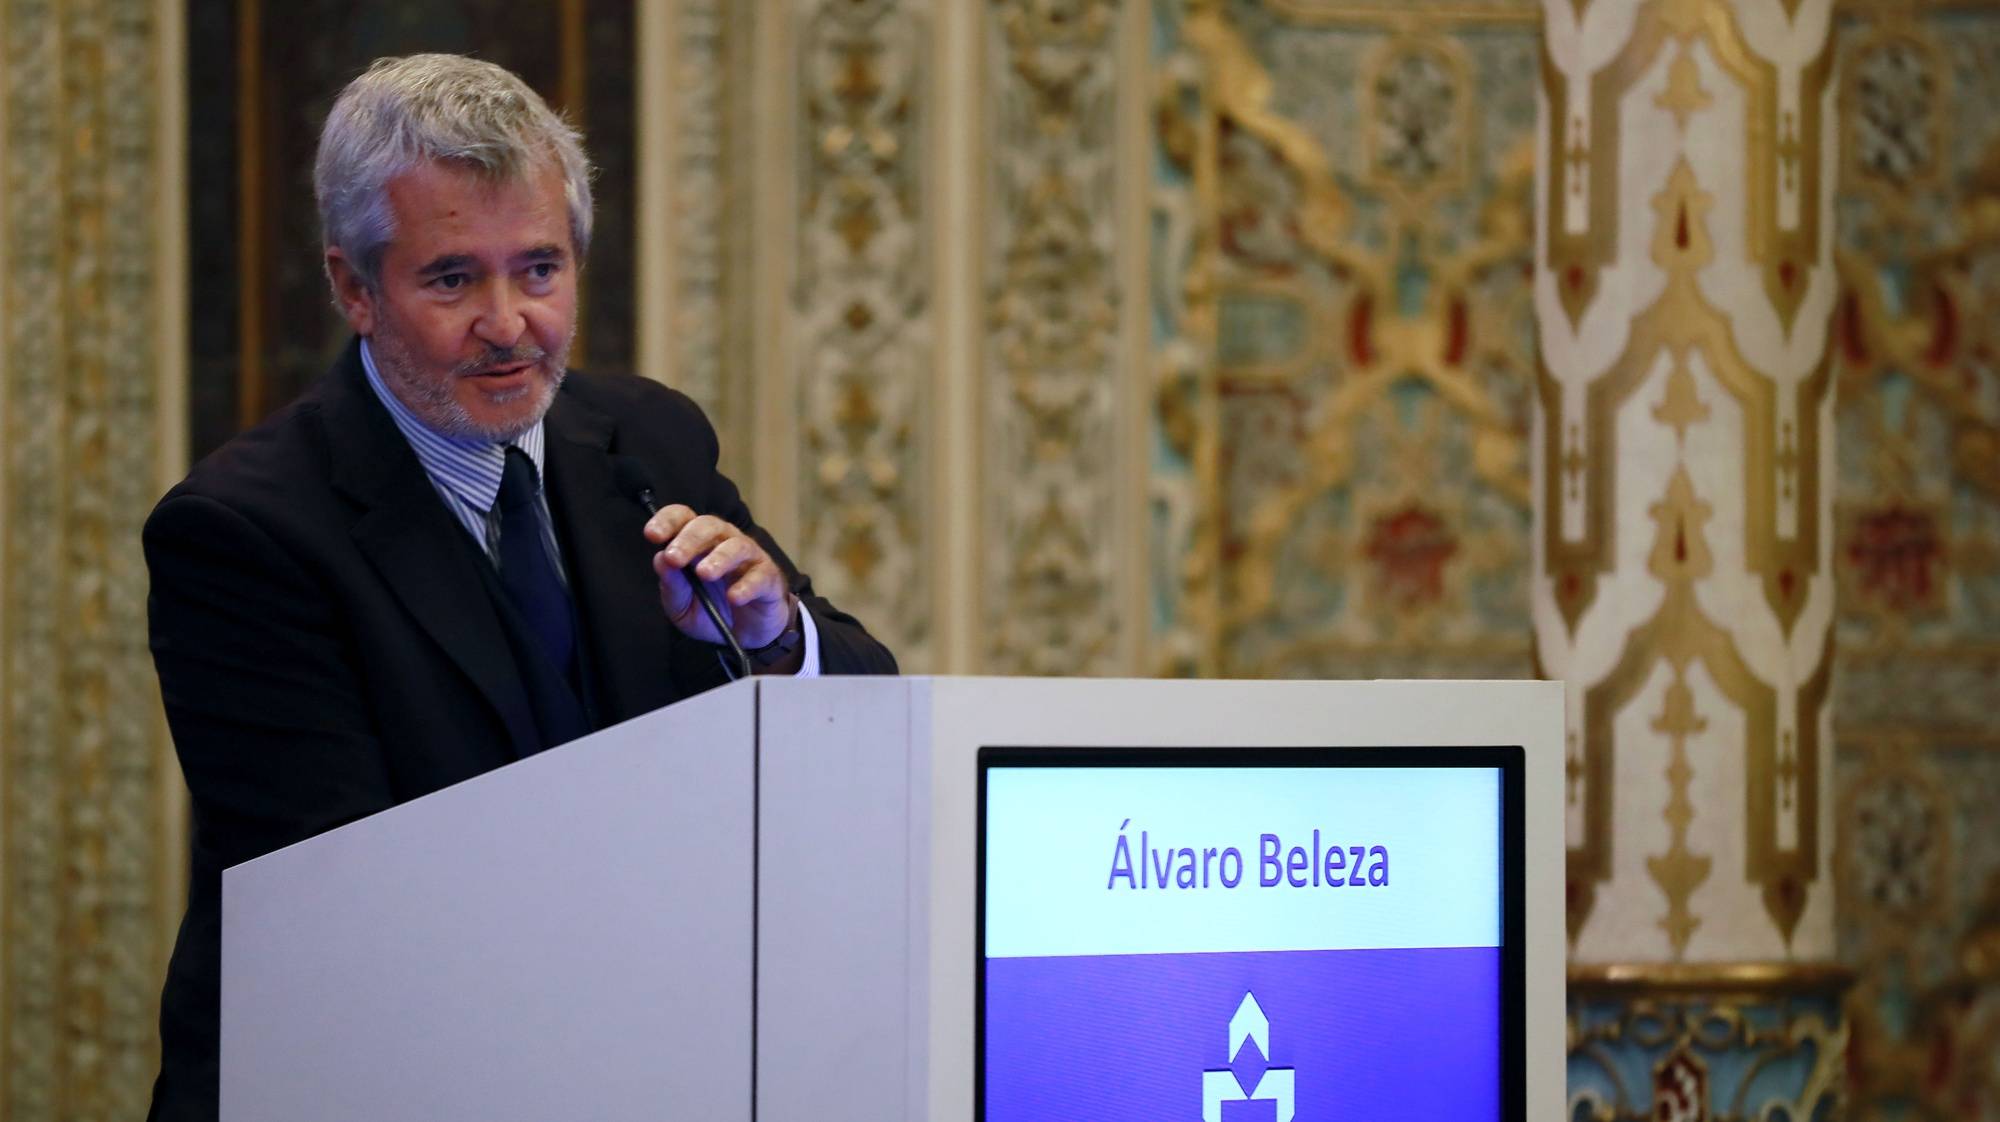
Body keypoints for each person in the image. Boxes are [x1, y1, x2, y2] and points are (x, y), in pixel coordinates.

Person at [142, 54, 896, 1119]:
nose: (507, 323)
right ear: (353, 288)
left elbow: (868, 724)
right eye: (453, 279)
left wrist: (777, 640)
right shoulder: (244, 532)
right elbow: (346, 908)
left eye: (539, 269)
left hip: (634, 1070)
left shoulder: (646, 439)